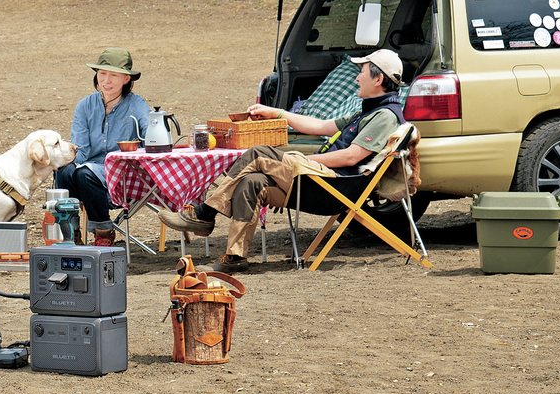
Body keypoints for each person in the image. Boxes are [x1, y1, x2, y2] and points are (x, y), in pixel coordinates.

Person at [156, 49, 407, 271]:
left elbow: (352, 156)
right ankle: (235, 258)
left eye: (361, 72)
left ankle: (204, 213)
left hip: (333, 187)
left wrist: (305, 160)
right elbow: (320, 125)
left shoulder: (385, 116)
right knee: (252, 182)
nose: (356, 77)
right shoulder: (368, 111)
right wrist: (276, 113)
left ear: (378, 79)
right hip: (320, 182)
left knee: (257, 153)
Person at [53, 48, 152, 246]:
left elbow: (151, 136)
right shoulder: (85, 106)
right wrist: (71, 169)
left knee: (84, 174)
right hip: (88, 176)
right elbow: (80, 150)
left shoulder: (137, 104)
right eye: (102, 74)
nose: (106, 80)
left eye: (113, 75)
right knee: (65, 170)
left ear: (126, 79)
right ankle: (70, 232)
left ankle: (103, 232)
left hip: (123, 175)